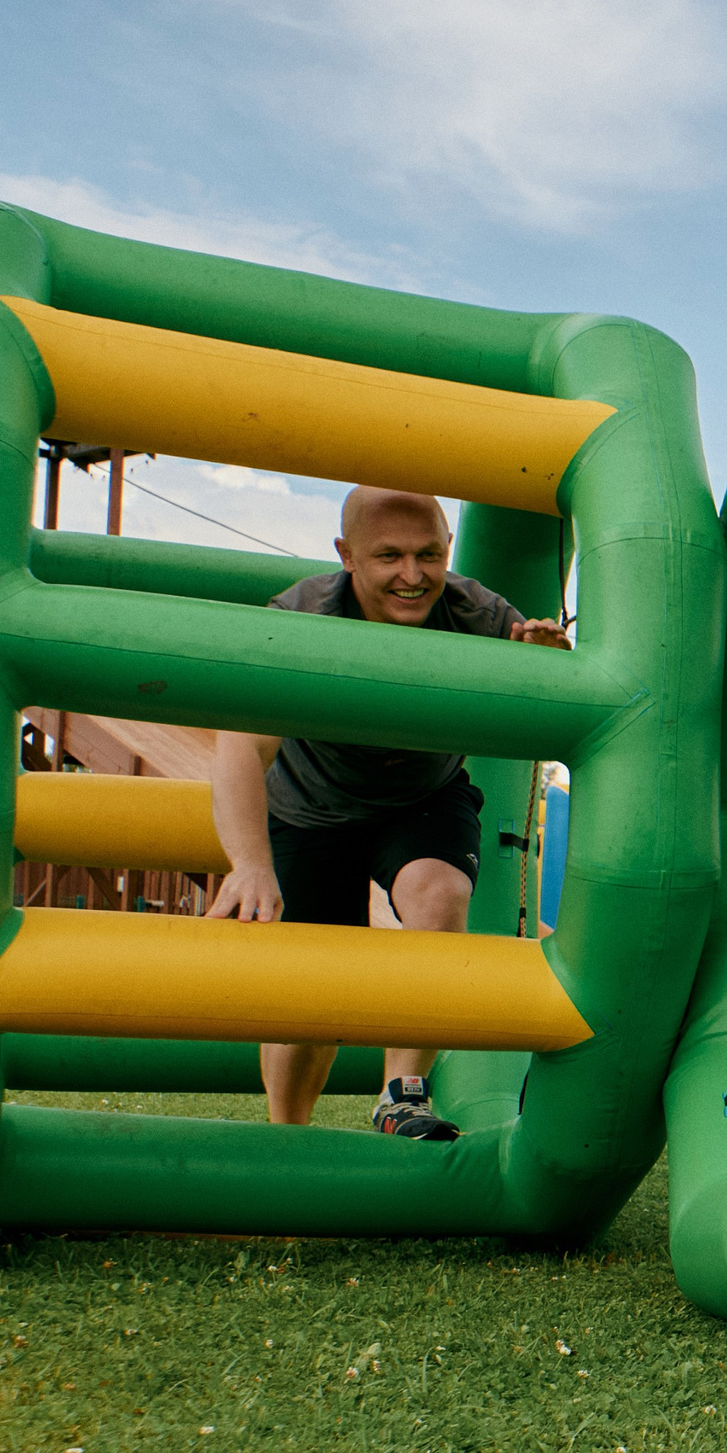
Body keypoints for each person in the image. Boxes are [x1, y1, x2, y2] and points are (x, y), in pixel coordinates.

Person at [204, 487, 570, 1139]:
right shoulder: (301, 615)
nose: (413, 575)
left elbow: (554, 711)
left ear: (448, 549)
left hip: (421, 796)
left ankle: (402, 1095)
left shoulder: (476, 611)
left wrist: (548, 668)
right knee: (310, 996)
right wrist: (250, 864)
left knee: (440, 894)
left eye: (429, 554)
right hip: (310, 806)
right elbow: (239, 741)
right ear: (346, 555)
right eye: (390, 556)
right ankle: (286, 1136)